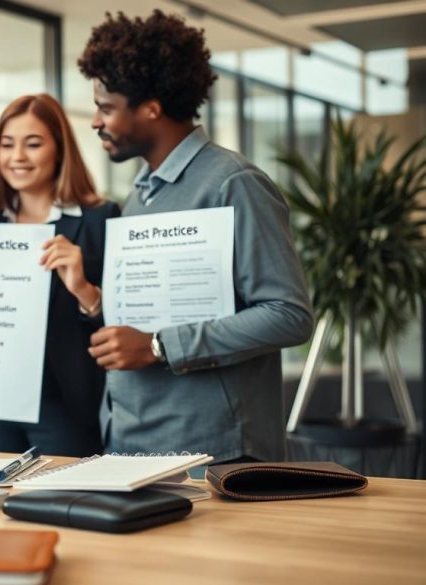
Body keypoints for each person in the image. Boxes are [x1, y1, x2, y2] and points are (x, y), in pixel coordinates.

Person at [78, 11, 313, 462]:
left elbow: (288, 314)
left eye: (106, 107)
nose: (94, 121)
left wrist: (157, 346)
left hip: (213, 454)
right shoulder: (141, 194)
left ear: (151, 108)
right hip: (132, 440)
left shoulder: (233, 183)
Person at [0, 94, 118, 457]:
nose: (18, 157)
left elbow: (123, 321)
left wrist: (84, 289)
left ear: (59, 149)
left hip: (65, 403)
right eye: (7, 145)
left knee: (65, 502)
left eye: (33, 144)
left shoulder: (99, 219)